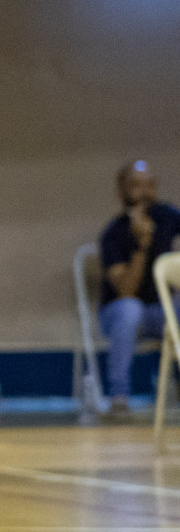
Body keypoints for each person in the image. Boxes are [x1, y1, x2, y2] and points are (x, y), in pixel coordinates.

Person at [99, 160, 180, 414]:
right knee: (130, 309)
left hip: (165, 311)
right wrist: (142, 246)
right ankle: (119, 397)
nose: (144, 192)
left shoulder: (170, 217)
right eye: (136, 186)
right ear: (122, 191)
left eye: (149, 185)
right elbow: (125, 290)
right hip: (122, 314)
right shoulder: (113, 234)